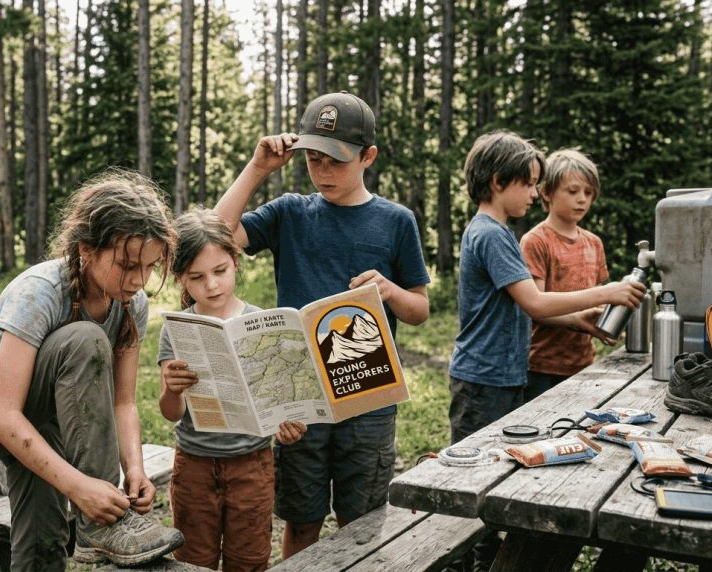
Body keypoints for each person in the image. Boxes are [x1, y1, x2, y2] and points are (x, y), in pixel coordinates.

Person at [214, 91, 431, 558]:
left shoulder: (396, 221)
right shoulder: (291, 212)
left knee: (363, 521)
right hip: (301, 401)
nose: (323, 172)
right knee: (302, 518)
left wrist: (391, 292)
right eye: (313, 160)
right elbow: (214, 237)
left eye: (336, 161)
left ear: (368, 156)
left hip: (368, 400)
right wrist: (256, 169)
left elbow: (419, 309)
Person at [0, 169, 184, 571]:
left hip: (49, 412)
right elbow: (4, 417)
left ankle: (95, 525)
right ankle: (101, 526)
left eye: (148, 267)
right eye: (127, 265)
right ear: (87, 249)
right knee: (84, 339)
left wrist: (135, 470)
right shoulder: (40, 291)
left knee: (43, 540)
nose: (138, 280)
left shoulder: (132, 304)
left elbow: (123, 401)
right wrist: (84, 489)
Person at [448, 130, 644, 569]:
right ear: (500, 181)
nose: (535, 194)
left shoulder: (491, 231)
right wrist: (607, 292)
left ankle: (488, 560)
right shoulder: (494, 236)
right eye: (530, 183)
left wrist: (578, 321)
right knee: (473, 485)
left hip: (497, 375)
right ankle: (474, 563)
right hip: (484, 379)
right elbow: (535, 302)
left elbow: (523, 307)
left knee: (495, 477)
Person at [157, 207, 307, 571]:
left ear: (235, 261)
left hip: (252, 465)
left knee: (249, 559)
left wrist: (288, 428)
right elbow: (170, 412)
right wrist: (173, 391)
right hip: (194, 463)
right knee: (193, 560)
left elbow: (281, 401)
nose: (211, 285)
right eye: (196, 277)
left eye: (220, 271)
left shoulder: (261, 324)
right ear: (181, 279)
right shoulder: (176, 329)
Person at [520, 148, 611, 402]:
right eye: (572, 191)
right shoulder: (535, 241)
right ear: (546, 192)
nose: (582, 199)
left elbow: (598, 297)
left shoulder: (594, 243)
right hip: (541, 366)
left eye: (588, 193)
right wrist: (578, 319)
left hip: (584, 363)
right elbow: (535, 304)